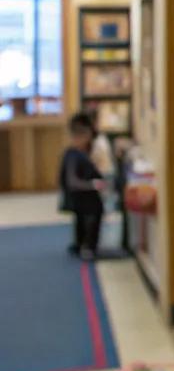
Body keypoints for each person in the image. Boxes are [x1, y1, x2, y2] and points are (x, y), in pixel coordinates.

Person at [59, 111, 105, 260]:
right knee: (93, 212)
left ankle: (81, 244)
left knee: (81, 218)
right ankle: (88, 246)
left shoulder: (80, 153)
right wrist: (92, 185)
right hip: (83, 195)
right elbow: (72, 181)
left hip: (81, 194)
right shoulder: (73, 155)